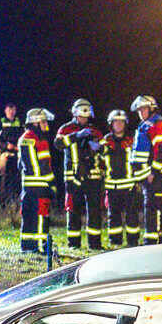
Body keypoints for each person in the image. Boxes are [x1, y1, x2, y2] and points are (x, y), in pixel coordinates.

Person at [55, 99, 105, 250]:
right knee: (73, 210)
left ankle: (95, 244)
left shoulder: (94, 130)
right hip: (73, 176)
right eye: (82, 116)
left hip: (92, 176)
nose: (84, 119)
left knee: (95, 210)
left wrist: (99, 147)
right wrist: (77, 135)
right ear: (75, 113)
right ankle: (74, 244)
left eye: (86, 116)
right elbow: (58, 145)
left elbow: (105, 149)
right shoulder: (66, 129)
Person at [130, 95, 162, 244]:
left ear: (151, 108)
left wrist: (153, 172)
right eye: (139, 110)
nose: (141, 112)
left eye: (143, 109)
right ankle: (155, 240)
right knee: (152, 207)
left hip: (157, 175)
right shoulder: (147, 124)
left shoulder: (157, 123)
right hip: (150, 174)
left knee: (153, 208)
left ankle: (152, 242)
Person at [17, 108, 56, 253]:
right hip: (41, 186)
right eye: (44, 122)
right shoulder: (39, 140)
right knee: (41, 217)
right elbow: (45, 166)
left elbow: (20, 165)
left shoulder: (23, 138)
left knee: (28, 219)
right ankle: (41, 248)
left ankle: (27, 247)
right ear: (35, 123)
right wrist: (52, 185)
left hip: (27, 186)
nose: (46, 125)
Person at [99, 110, 139, 247]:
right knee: (113, 216)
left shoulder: (132, 140)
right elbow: (100, 162)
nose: (119, 124)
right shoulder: (105, 141)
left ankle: (133, 242)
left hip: (129, 186)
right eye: (116, 121)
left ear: (125, 124)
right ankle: (115, 242)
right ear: (111, 124)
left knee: (132, 216)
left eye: (121, 121)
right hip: (112, 186)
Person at [0, 103, 23, 199]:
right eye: (9, 110)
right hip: (5, 150)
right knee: (3, 169)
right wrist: (5, 145)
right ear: (5, 111)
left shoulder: (19, 122)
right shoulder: (1, 122)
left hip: (18, 150)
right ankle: (2, 192)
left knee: (24, 165)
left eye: (13, 110)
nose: (11, 112)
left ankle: (22, 188)